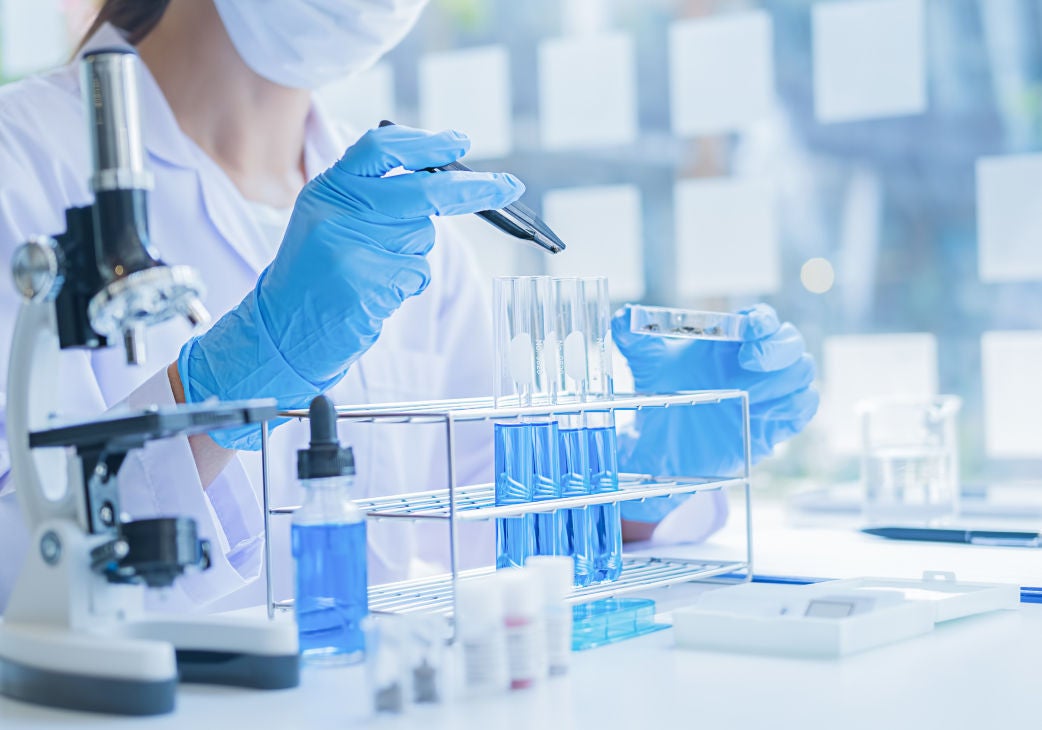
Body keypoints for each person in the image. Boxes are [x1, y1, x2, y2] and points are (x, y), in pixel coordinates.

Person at [0, 0, 818, 613]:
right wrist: (221, 390)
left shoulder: (397, 219)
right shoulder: (22, 163)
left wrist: (650, 479)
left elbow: (489, 514)